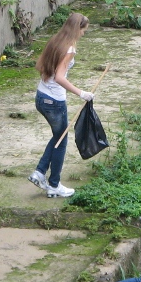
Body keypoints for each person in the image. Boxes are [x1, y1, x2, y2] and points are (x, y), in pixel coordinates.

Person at [27, 12, 94, 198]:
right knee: (61, 140)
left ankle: (40, 172)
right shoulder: (69, 49)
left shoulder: (55, 40)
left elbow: (46, 71)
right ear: (77, 29)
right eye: (83, 31)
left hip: (41, 97)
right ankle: (54, 184)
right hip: (54, 102)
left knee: (57, 137)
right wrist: (82, 93)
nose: (82, 34)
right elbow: (59, 77)